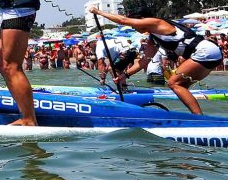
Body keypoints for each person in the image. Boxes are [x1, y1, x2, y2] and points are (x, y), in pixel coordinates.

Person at [90, 6, 223, 114]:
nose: (133, 28)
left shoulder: (156, 22)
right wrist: (124, 76)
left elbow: (123, 20)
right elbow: (144, 61)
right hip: (210, 53)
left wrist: (98, 12)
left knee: (174, 83)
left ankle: (199, 118)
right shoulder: (153, 37)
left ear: (142, 20)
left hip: (204, 51)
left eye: (134, 24)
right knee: (182, 87)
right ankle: (198, 117)